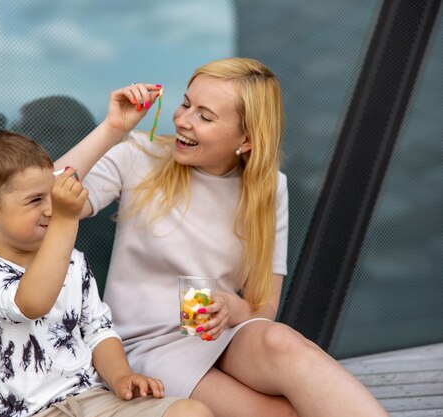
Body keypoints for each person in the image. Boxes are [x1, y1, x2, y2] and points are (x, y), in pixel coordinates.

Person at [56, 57, 390, 417]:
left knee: (282, 342)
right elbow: (42, 200)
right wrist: (111, 128)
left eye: (205, 115)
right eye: (186, 104)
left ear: (245, 140)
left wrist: (232, 308)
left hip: (218, 335)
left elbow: (264, 309)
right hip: (143, 347)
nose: (182, 120)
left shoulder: (270, 188)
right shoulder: (140, 155)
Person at [0, 131, 212, 417]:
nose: (51, 208)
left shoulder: (73, 261)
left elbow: (97, 330)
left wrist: (122, 377)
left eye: (52, 195)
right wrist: (66, 220)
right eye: (35, 200)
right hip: (33, 412)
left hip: (94, 400)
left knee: (191, 412)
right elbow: (31, 303)